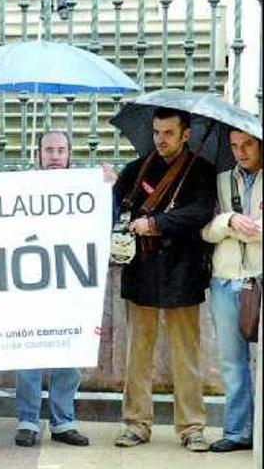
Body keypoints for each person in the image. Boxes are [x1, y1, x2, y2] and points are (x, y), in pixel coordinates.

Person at [104, 107, 216, 452]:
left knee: (186, 356)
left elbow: (201, 211)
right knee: (138, 355)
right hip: (143, 272)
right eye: (156, 132)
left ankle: (192, 427)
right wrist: (104, 187)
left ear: (186, 135)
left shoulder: (202, 171)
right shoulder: (136, 170)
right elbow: (115, 207)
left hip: (184, 273)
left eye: (168, 133)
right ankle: (136, 423)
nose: (160, 140)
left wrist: (157, 224)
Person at [13, 131, 89, 448]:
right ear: (38, 155)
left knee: (68, 352)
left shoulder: (86, 190)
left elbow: (106, 219)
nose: (55, 156)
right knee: (28, 351)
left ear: (70, 155)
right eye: (49, 150)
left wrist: (106, 186)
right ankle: (27, 421)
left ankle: (63, 422)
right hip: (30, 282)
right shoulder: (22, 188)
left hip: (70, 282)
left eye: (60, 150)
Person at [201, 128, 262, 453]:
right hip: (225, 278)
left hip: (260, 276)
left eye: (247, 145)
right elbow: (206, 230)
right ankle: (238, 432)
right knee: (231, 361)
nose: (240, 152)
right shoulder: (221, 180)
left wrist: (248, 229)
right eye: (235, 146)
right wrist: (229, 221)